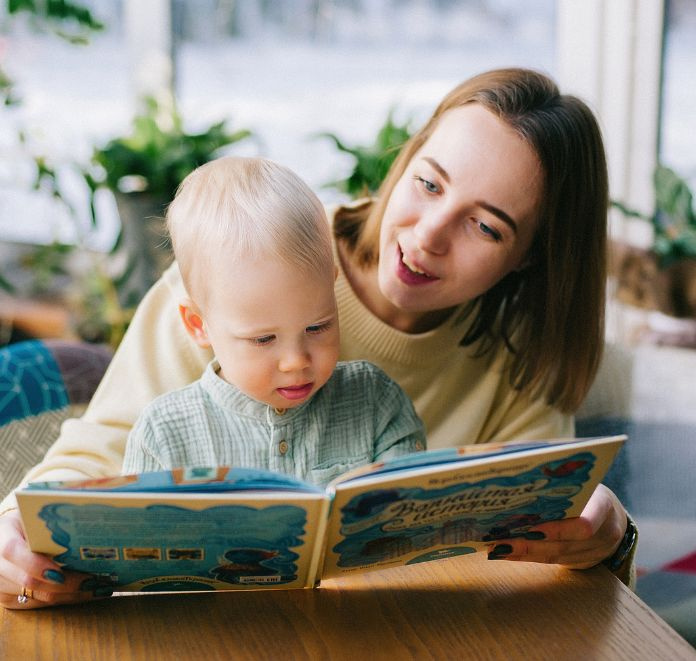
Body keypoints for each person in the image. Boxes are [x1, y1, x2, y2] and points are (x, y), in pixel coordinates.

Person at [0, 67, 636, 609]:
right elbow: (93, 458)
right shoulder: (244, 260)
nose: (428, 235)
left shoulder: (520, 350)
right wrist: (14, 538)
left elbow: (544, 557)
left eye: (487, 227)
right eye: (429, 182)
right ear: (405, 159)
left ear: (529, 256)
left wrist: (606, 538)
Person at [121, 156, 424, 481]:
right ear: (198, 324)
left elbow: (409, 512)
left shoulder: (376, 403)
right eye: (263, 339)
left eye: (317, 326)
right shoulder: (164, 436)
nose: (296, 362)